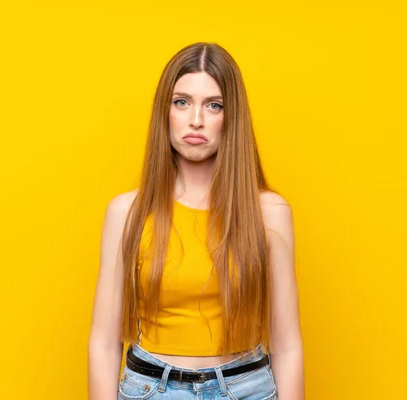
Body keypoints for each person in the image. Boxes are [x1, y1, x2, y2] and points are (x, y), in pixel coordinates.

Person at [88, 42, 304, 400]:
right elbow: (103, 342)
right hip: (150, 389)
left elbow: (287, 345)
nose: (196, 120)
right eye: (182, 102)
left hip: (246, 388)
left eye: (214, 105)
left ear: (231, 117)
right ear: (165, 111)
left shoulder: (270, 213)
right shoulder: (127, 213)